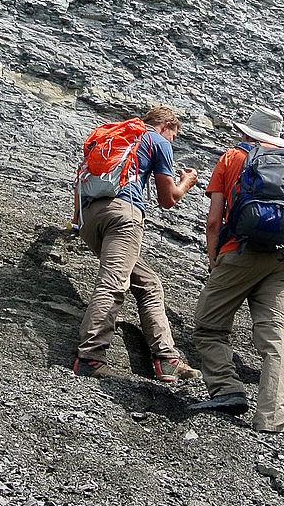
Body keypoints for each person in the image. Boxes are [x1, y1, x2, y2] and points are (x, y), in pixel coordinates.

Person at [187, 107, 284, 434]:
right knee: (277, 339)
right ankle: (271, 419)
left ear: (247, 134)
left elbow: (215, 219)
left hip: (239, 253)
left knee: (208, 324)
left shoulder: (231, 158)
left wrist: (215, 258)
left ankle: (227, 388)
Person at [72, 106, 201, 382]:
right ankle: (90, 357)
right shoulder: (158, 140)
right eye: (174, 135)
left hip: (90, 218)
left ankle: (166, 358)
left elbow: (81, 177)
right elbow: (168, 200)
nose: (173, 141)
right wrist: (186, 182)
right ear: (166, 126)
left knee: (148, 282)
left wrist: (76, 222)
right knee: (113, 283)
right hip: (123, 215)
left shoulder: (114, 136)